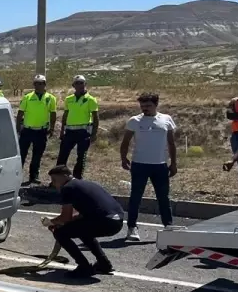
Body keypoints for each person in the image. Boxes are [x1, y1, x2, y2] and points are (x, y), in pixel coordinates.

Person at [46, 164, 123, 277]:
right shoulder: (86, 183)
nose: (52, 183)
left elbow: (65, 217)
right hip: (117, 221)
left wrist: (51, 223)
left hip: (104, 222)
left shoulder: (68, 188)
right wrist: (63, 222)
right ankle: (104, 263)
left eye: (54, 179)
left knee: (60, 233)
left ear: (66, 176)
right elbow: (80, 214)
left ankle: (84, 267)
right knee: (83, 229)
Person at [119, 92, 176, 241]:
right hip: (139, 165)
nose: (145, 109)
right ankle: (132, 228)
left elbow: (171, 143)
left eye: (148, 106)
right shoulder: (134, 121)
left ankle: (168, 227)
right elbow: (125, 142)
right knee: (136, 197)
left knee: (163, 197)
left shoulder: (166, 120)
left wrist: (174, 163)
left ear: (156, 105)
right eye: (143, 106)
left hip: (160, 165)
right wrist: (123, 158)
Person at [16, 74, 57, 186]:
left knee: (37, 155)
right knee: (22, 154)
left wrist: (52, 128)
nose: (38, 85)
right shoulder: (27, 97)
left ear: (44, 84)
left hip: (41, 131)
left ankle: (33, 177)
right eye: (36, 83)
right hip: (27, 131)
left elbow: (53, 114)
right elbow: (20, 114)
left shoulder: (51, 98)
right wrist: (18, 127)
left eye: (40, 83)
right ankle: (16, 176)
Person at [57, 75, 99, 179]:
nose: (79, 85)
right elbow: (65, 115)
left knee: (81, 157)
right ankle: (59, 178)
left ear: (85, 84)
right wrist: (62, 130)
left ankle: (77, 178)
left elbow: (95, 117)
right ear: (73, 85)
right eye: (77, 83)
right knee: (62, 156)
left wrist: (94, 133)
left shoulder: (91, 100)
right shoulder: (68, 99)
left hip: (83, 132)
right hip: (70, 131)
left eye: (81, 83)